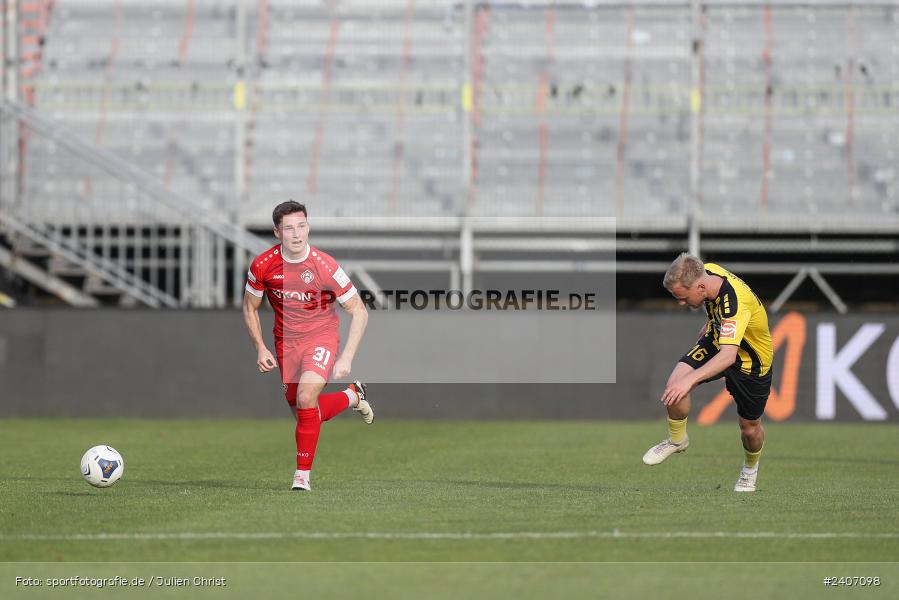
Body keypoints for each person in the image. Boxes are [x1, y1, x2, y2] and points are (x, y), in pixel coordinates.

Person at [242, 201, 372, 491]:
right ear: (277, 232)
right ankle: (352, 396)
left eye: (301, 226)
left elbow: (359, 311)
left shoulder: (325, 265)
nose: (297, 234)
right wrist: (260, 348)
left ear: (308, 227)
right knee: (304, 410)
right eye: (289, 228)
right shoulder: (263, 265)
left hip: (321, 337)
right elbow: (250, 307)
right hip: (285, 343)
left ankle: (302, 476)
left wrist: (347, 356)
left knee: (305, 398)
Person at [643, 253, 773, 492]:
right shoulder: (708, 271)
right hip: (720, 340)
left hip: (750, 362)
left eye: (682, 297)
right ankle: (677, 440)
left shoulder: (735, 302)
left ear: (700, 286)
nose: (681, 303)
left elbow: (728, 356)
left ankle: (750, 469)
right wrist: (713, 321)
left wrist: (690, 381)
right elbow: (718, 307)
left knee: (749, 427)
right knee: (675, 385)